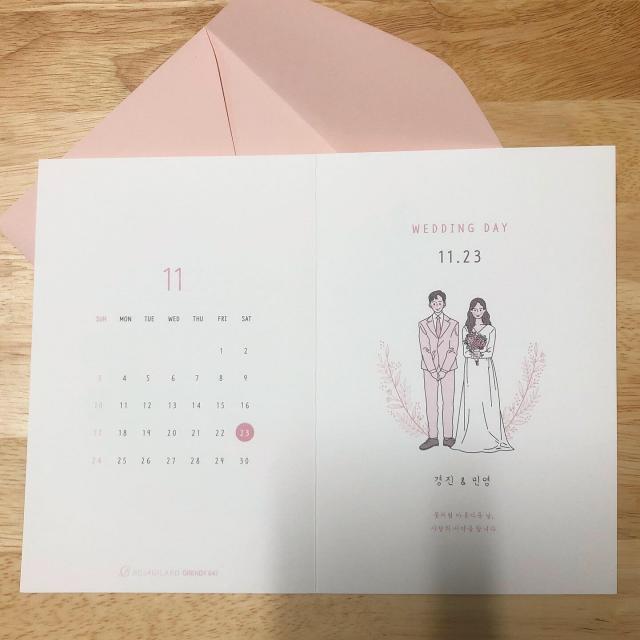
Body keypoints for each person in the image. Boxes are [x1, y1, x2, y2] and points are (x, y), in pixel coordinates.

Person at [453, 298, 513, 453]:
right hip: (471, 369)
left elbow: (490, 351)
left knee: (487, 399)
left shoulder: (490, 329)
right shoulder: (466, 329)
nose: (478, 312)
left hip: (485, 369)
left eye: (480, 309)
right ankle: (471, 435)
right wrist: (473, 353)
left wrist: (480, 354)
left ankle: (492, 435)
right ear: (470, 311)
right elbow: (464, 352)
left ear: (485, 310)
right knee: (471, 398)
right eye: (475, 309)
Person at [418, 290, 459, 450]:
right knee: (431, 403)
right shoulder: (423, 324)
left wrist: (443, 370)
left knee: (448, 403)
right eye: (434, 303)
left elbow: (453, 349)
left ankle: (448, 436)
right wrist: (433, 370)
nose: (437, 305)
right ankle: (432, 437)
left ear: (444, 304)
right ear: (430, 305)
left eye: (440, 303)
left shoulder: (453, 323)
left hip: (448, 369)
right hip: (429, 369)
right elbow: (424, 348)